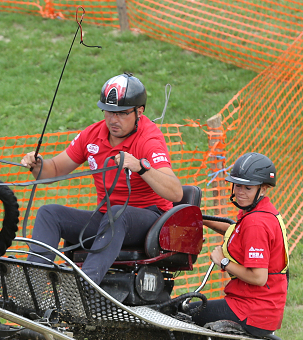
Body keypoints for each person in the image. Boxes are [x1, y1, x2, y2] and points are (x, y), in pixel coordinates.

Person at [21, 73, 183, 285]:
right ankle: (32, 284)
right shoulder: (92, 135)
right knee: (49, 213)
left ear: (139, 111)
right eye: (109, 112)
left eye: (122, 113)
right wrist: (38, 164)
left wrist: (140, 167)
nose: (113, 120)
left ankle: (85, 287)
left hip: (150, 219)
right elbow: (53, 171)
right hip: (109, 218)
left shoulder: (149, 139)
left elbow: (176, 192)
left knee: (117, 214)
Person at [193, 152, 290, 337]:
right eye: (237, 185)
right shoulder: (260, 213)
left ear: (263, 189)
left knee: (182, 314)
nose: (239, 192)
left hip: (252, 310)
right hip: (260, 307)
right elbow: (233, 230)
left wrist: (223, 262)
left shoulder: (256, 223)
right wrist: (199, 218)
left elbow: (259, 278)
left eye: (247, 188)